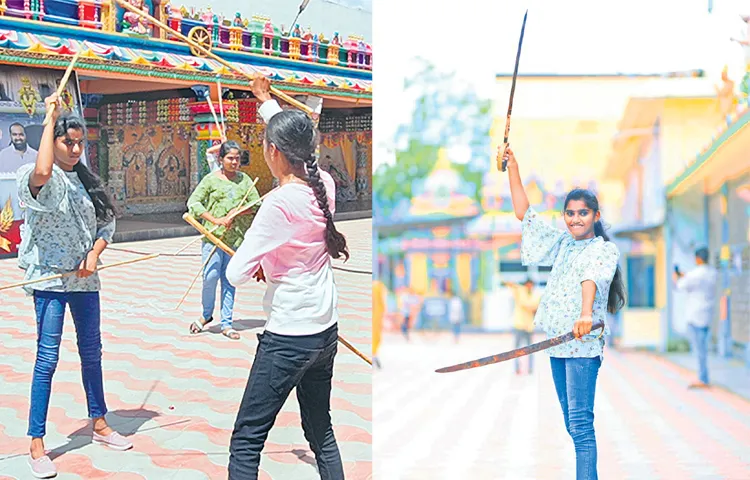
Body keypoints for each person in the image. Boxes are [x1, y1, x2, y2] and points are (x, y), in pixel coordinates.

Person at [225, 74, 349, 479]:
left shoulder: (278, 204)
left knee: (247, 439)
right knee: (321, 432)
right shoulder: (323, 184)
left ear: (272, 152)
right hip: (324, 331)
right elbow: (296, 141)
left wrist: (264, 258)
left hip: (288, 337)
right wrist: (264, 101)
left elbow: (235, 272)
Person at [16, 94, 131, 479]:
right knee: (47, 359)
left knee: (92, 353)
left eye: (81, 143)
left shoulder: (87, 180)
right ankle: (36, 442)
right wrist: (50, 118)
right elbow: (44, 173)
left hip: (84, 282)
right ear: (53, 141)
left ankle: (99, 422)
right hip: (50, 278)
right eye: (69, 142)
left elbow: (106, 223)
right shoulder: (31, 176)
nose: (77, 149)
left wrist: (95, 253)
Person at [503, 146, 625, 480]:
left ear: (595, 216)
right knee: (573, 424)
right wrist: (513, 166)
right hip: (557, 343)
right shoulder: (562, 242)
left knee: (582, 426)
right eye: (570, 213)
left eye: (583, 213)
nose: (575, 219)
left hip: (582, 345)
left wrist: (585, 315)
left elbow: (592, 277)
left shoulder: (603, 249)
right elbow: (524, 214)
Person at [187, 140, 260, 340]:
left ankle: (226, 323)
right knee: (210, 277)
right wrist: (216, 220)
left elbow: (256, 203)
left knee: (229, 280)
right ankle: (206, 315)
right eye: (230, 158)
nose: (234, 162)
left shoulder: (245, 180)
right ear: (221, 159)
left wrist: (238, 212)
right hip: (213, 237)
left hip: (234, 240)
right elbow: (193, 203)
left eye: (237, 158)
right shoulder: (210, 180)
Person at [673, 246, 718, 389]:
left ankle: (703, 378)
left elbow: (680, 286)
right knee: (702, 347)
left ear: (698, 258)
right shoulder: (712, 273)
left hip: (695, 315)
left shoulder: (696, 274)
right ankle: (703, 376)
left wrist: (677, 277)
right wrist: (686, 275)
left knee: (699, 349)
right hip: (707, 314)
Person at [503, 278, 542, 374]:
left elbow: (534, 306)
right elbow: (511, 285)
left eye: (531, 285)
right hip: (519, 325)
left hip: (529, 326)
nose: (529, 286)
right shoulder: (520, 291)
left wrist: (528, 305)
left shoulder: (536, 295)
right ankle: (517, 368)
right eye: (528, 285)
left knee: (531, 350)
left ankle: (530, 369)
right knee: (517, 349)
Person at [372, 279, 387, 368]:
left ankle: (374, 355)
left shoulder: (377, 287)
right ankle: (374, 355)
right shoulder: (377, 287)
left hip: (376, 317)